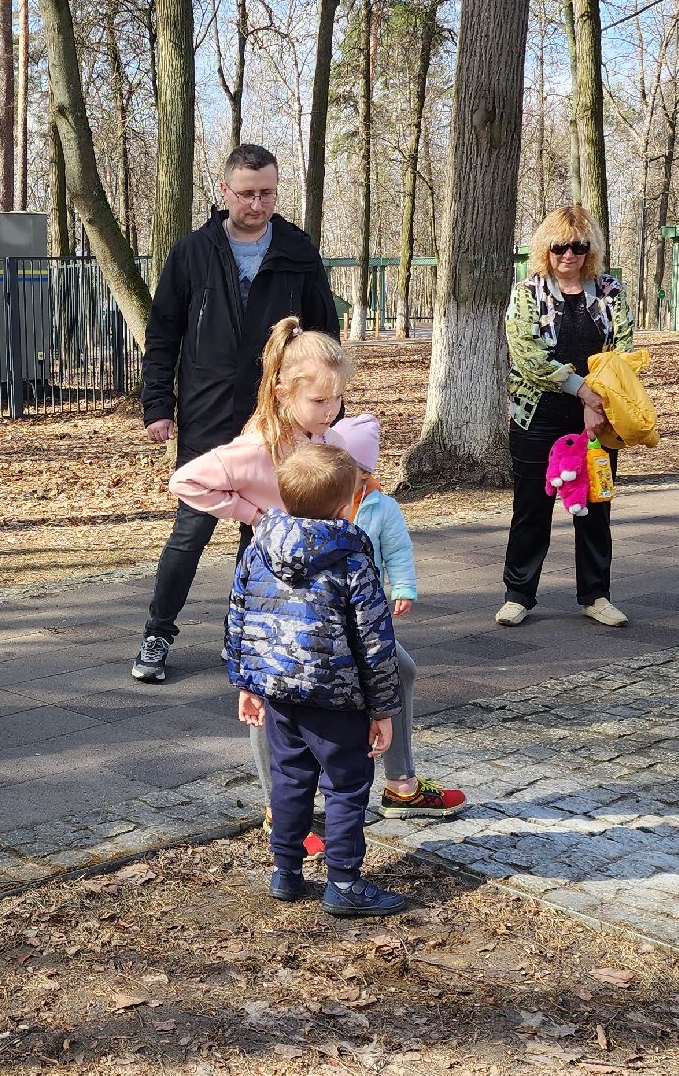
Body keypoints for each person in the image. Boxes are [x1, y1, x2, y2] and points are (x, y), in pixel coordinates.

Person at [171, 324, 463, 855]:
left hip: (329, 590)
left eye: (336, 399)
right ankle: (277, 806)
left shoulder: (322, 437)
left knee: (398, 667)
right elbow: (185, 481)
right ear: (283, 390)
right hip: (277, 591)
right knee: (271, 692)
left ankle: (399, 784)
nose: (331, 411)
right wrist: (255, 515)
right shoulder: (257, 446)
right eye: (319, 400)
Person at [134, 143, 341, 684]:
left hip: (278, 414)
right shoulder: (192, 252)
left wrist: (325, 409)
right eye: (247, 193)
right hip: (206, 408)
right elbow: (163, 334)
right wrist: (158, 403)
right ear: (224, 191)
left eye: (267, 192)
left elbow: (324, 334)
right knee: (191, 525)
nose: (257, 203)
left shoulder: (297, 249)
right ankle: (158, 634)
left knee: (269, 529)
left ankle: (250, 633)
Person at [229, 444, 408, 917]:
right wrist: (384, 709)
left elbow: (240, 620)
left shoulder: (257, 551)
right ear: (348, 501)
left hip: (280, 695)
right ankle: (344, 882)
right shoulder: (351, 561)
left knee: (290, 779)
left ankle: (286, 871)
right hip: (337, 698)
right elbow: (375, 642)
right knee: (346, 785)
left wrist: (248, 682)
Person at [496, 204, 635, 630]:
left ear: (589, 249)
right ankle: (518, 594)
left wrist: (600, 405)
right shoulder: (527, 294)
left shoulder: (611, 292)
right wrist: (584, 392)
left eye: (577, 246)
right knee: (532, 509)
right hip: (538, 417)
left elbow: (623, 353)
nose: (568, 255)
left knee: (596, 507)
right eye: (559, 247)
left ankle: (596, 595)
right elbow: (528, 356)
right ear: (546, 249)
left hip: (597, 420)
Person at [325, 415, 465, 822]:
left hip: (366, 616)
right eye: (351, 470)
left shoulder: (382, 507)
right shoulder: (318, 501)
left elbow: (398, 552)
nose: (357, 479)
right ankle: (304, 801)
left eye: (364, 472)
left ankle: (400, 784)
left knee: (401, 672)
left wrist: (403, 587)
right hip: (329, 620)